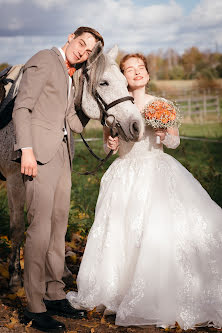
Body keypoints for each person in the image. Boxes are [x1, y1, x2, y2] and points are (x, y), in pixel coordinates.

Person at [67, 53, 222, 330]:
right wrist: (111, 144)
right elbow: (107, 147)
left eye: (141, 68)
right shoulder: (115, 106)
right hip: (124, 173)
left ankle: (157, 291)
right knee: (122, 232)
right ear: (123, 76)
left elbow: (173, 142)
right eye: (130, 69)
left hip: (156, 171)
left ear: (148, 75)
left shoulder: (161, 105)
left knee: (155, 231)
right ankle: (120, 290)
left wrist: (165, 135)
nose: (137, 72)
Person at [12, 26, 104, 332]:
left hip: (63, 155)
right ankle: (35, 306)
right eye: (81, 44)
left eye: (89, 51)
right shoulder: (43, 59)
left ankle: (53, 292)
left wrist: (93, 105)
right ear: (70, 38)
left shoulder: (73, 75)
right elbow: (22, 107)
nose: (82, 52)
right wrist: (26, 150)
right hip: (37, 154)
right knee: (39, 228)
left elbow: (73, 123)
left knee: (57, 226)